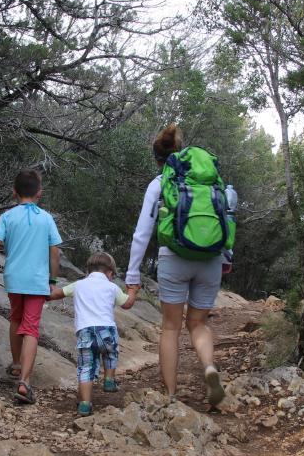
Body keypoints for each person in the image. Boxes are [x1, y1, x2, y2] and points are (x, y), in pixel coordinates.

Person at [125, 124, 226, 406]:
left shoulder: (159, 184)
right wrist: (226, 257)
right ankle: (209, 366)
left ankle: (171, 395)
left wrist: (132, 274)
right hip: (210, 258)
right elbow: (225, 218)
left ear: (157, 158)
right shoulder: (209, 182)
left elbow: (142, 233)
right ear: (180, 152)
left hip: (174, 258)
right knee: (198, 324)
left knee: (171, 327)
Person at [0, 169, 61, 404]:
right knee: (31, 327)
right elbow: (55, 252)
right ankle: (24, 382)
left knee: (15, 318)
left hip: (14, 278)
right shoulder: (47, 218)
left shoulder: (7, 217)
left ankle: (15, 364)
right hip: (37, 281)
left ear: (14, 192)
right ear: (39, 193)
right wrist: (53, 281)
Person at [49, 252, 136, 416]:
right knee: (110, 354)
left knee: (86, 368)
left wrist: (49, 288)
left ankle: (84, 405)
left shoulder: (78, 285)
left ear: (88, 271)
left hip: (85, 332)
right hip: (106, 330)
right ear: (110, 273)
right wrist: (132, 291)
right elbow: (127, 304)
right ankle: (109, 380)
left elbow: (54, 295)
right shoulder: (112, 287)